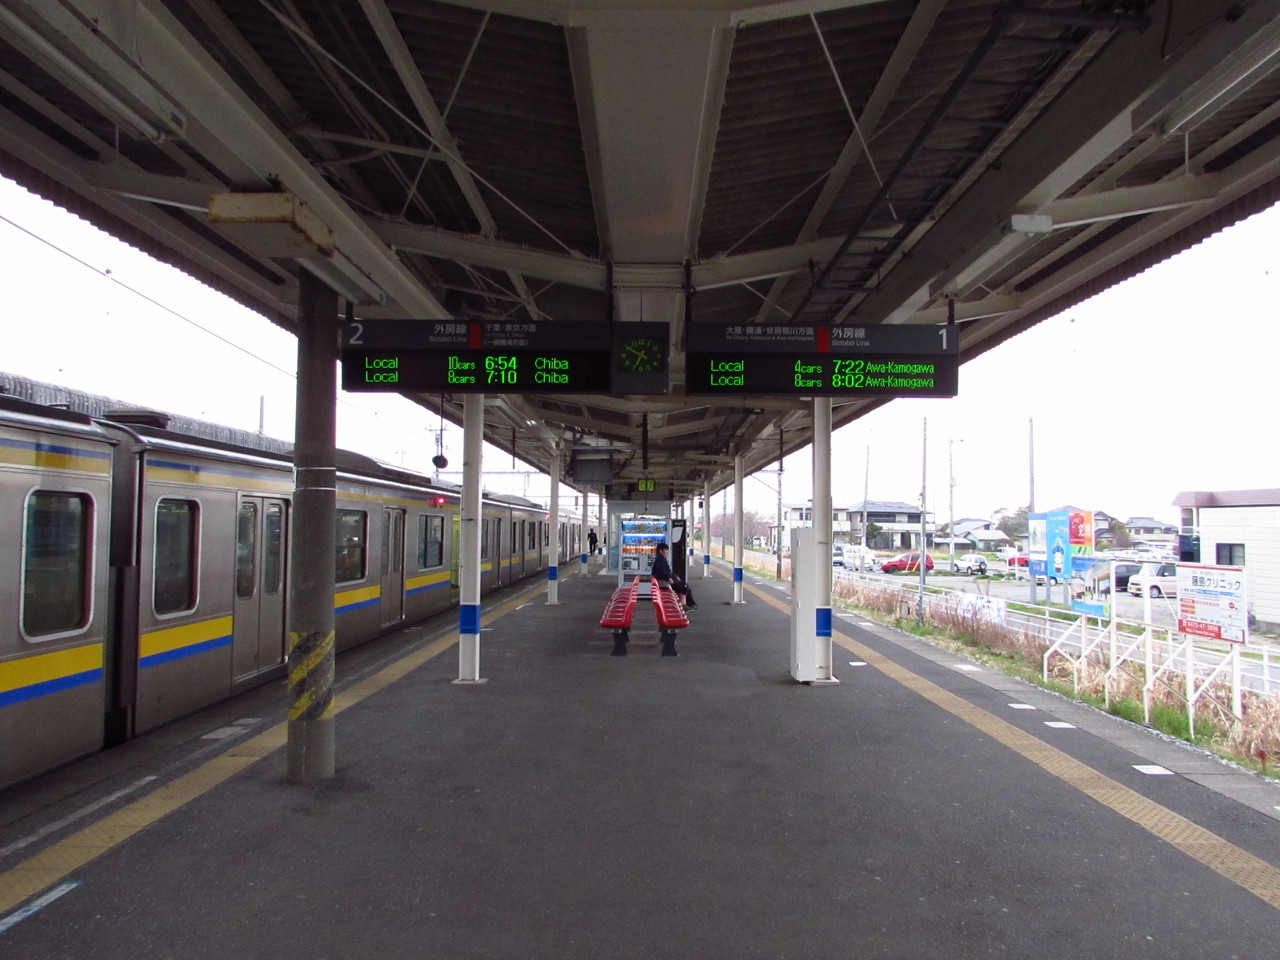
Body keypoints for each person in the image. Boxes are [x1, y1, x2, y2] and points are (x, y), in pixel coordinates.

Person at [651, 542, 696, 610]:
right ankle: (682, 606)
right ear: (661, 551)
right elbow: (662, 571)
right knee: (684, 586)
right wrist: (668, 578)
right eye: (666, 550)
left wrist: (674, 576)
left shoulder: (660, 558)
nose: (667, 552)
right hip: (663, 582)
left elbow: (668, 570)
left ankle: (685, 605)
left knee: (685, 588)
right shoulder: (660, 559)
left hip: (663, 581)